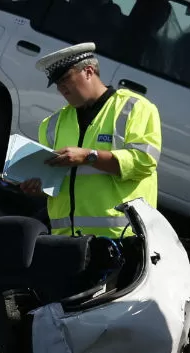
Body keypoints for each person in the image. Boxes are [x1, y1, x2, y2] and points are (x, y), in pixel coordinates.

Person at [20, 42, 162, 238]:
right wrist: (38, 187)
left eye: (65, 79)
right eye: (58, 84)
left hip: (122, 240)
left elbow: (144, 162)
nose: (62, 89)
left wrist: (89, 156)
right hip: (66, 239)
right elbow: (54, 182)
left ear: (88, 71)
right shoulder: (51, 124)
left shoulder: (136, 109)